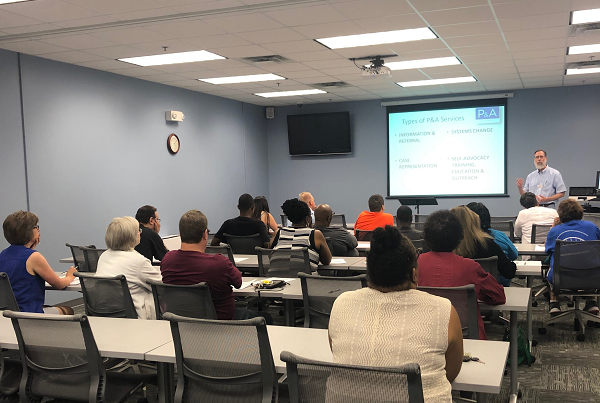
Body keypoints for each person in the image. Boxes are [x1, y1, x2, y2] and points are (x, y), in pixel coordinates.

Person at [329, 226, 463, 403]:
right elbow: (450, 373)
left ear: (368, 273)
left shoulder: (341, 303)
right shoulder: (443, 309)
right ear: (414, 274)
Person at [418, 210, 506, 339]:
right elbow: (498, 296)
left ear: (426, 236)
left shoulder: (415, 264)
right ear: (459, 237)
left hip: (423, 335)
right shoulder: (470, 267)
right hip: (466, 339)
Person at [161, 209, 256, 320]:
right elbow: (238, 283)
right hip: (221, 326)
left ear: (180, 234)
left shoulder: (167, 260)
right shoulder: (219, 263)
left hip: (182, 325)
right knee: (264, 317)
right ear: (205, 234)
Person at [0, 211, 76, 314]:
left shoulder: (3, 254)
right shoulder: (34, 257)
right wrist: (70, 276)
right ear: (28, 231)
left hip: (7, 314)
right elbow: (59, 284)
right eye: (36, 227)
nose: (39, 230)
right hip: (29, 314)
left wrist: (30, 248)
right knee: (68, 310)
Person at [95, 216, 162, 319]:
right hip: (137, 316)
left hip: (109, 313)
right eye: (138, 231)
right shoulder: (138, 261)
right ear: (130, 237)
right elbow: (162, 287)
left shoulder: (104, 256)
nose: (140, 233)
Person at [545, 199, 600, 316]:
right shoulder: (592, 227)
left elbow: (548, 251)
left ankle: (554, 303)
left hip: (562, 278)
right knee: (590, 263)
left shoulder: (555, 231)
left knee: (551, 267)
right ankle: (592, 302)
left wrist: (554, 227)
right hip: (592, 277)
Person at [451, 206, 516, 286]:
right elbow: (509, 272)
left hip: (447, 294)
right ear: (475, 222)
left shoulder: (442, 247)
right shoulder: (487, 244)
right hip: (485, 294)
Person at [270, 198, 332, 270]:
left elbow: (270, 255)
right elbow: (327, 261)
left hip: (276, 278)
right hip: (305, 279)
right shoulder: (315, 234)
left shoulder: (278, 233)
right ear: (307, 219)